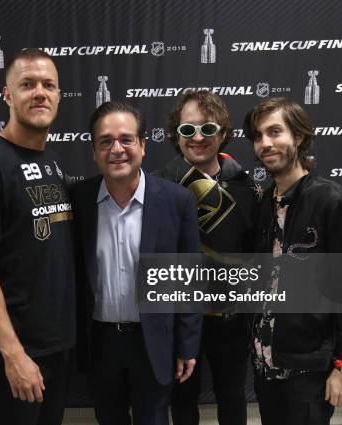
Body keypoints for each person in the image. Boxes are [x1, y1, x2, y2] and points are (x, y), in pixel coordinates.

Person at [0, 49, 75, 425]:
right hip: (20, 350)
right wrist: (13, 354)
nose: (39, 92)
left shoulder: (50, 161)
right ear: (8, 95)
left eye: (48, 85)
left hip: (57, 345)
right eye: (27, 84)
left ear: (58, 95)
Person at [71, 101, 202, 425]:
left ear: (143, 145)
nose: (117, 149)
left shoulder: (177, 201)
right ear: (94, 151)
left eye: (126, 139)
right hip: (100, 343)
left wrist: (187, 345)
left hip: (153, 341)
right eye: (106, 141)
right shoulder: (77, 199)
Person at [243, 97, 342, 425]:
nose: (265, 143)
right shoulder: (264, 204)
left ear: (298, 137)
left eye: (275, 132)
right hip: (266, 367)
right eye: (258, 136)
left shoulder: (334, 202)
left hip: (310, 374)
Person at [154, 90, 258, 425]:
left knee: (232, 396)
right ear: (176, 135)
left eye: (208, 129)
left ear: (223, 134)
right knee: (181, 398)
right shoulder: (156, 187)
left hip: (231, 320)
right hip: (178, 318)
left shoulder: (247, 189)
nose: (197, 138)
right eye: (187, 130)